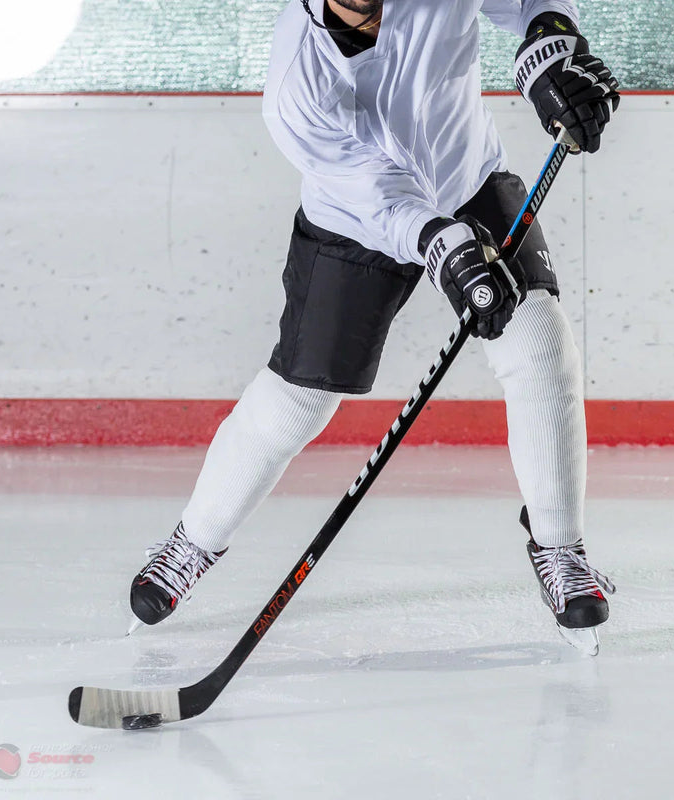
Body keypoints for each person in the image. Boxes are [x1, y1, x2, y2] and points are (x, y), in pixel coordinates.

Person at [128, 0, 620, 653]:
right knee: (294, 405)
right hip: (357, 219)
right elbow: (378, 194)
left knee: (538, 345)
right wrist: (442, 245)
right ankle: (193, 541)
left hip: (467, 177)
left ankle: (560, 549)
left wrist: (550, 52)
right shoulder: (294, 84)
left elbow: (533, 5)